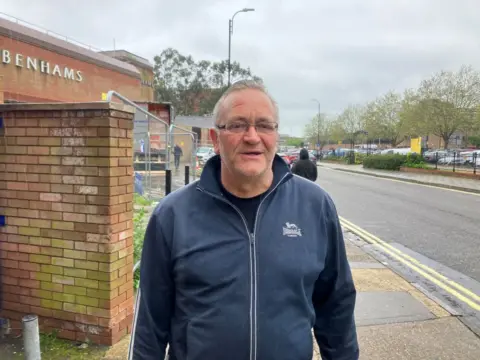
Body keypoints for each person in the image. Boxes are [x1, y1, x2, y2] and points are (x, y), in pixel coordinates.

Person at [130, 80, 359, 360]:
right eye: (237, 125)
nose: (252, 136)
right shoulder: (172, 215)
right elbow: (149, 327)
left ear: (276, 135)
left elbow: (337, 308)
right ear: (215, 139)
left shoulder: (315, 206)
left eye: (264, 125)